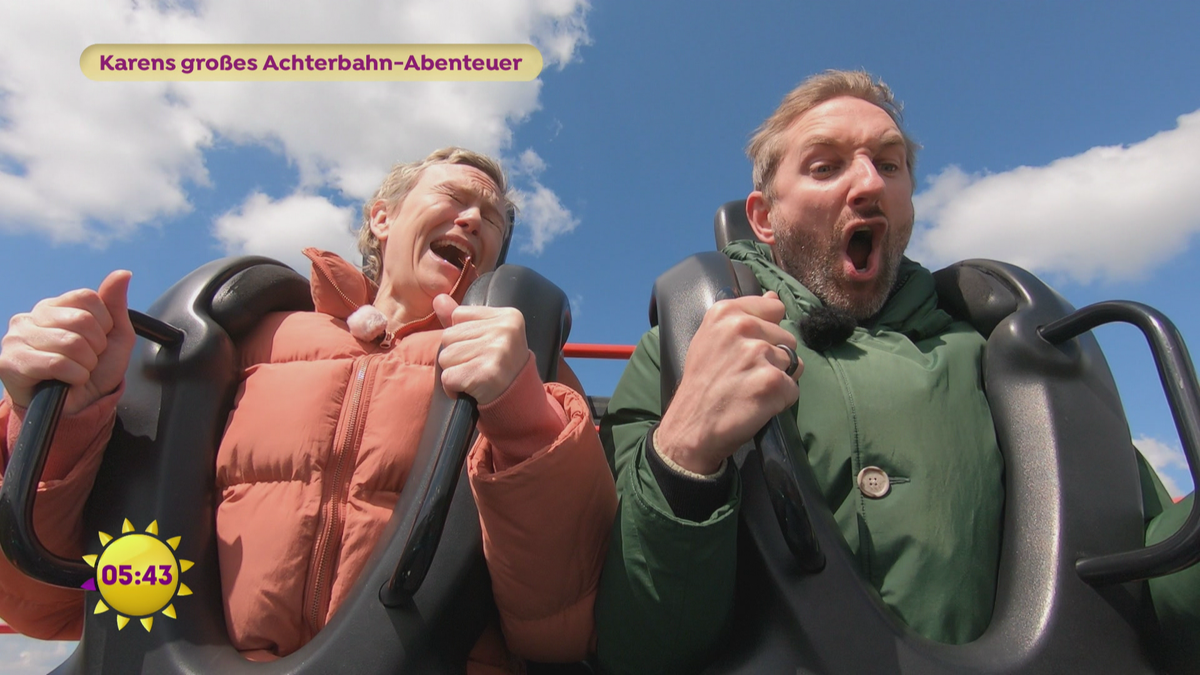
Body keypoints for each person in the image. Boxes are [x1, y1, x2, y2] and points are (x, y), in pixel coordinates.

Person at [593, 71, 1198, 674]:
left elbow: (1147, 590)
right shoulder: (677, 352)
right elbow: (639, 645)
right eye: (825, 167)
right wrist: (682, 456)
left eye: (889, 164)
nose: (867, 184)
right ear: (763, 218)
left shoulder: (1011, 359)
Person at [0, 147, 617, 672]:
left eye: (492, 220)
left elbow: (557, 626)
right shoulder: (241, 340)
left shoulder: (529, 370)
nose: (474, 219)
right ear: (383, 217)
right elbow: (42, 597)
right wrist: (56, 420)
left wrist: (522, 414)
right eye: (455, 197)